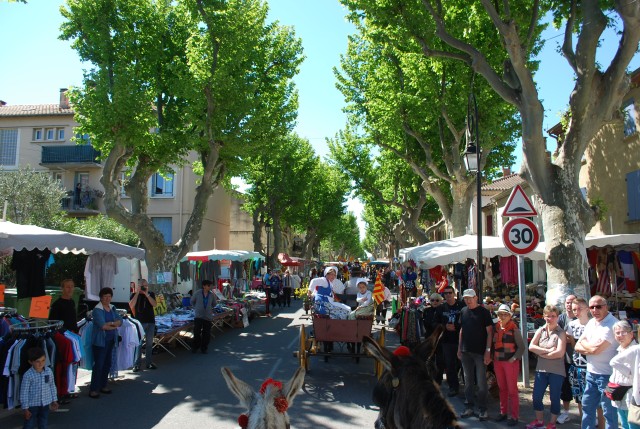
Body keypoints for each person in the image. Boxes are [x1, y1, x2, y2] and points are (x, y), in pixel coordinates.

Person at [574, 295, 619, 429]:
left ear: (606, 307)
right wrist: (591, 348)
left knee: (609, 412)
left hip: (608, 376)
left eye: (598, 306)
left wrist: (587, 347)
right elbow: (577, 346)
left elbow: (597, 350)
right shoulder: (591, 322)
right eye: (592, 307)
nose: (594, 310)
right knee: (587, 407)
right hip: (591, 373)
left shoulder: (613, 324)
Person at [527, 304, 567, 429]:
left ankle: (552, 423)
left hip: (556, 371)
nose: (550, 319)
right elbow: (531, 347)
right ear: (544, 316)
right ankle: (539, 420)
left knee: (555, 398)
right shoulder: (541, 330)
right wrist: (548, 351)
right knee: (537, 397)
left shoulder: (561, 333)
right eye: (547, 316)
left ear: (557, 317)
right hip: (541, 370)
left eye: (553, 316)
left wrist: (542, 353)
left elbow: (560, 352)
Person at [458, 288, 494, 421]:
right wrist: (459, 348)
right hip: (466, 351)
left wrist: (488, 351)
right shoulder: (463, 311)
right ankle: (469, 406)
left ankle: (483, 409)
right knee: (467, 380)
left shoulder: (484, 312)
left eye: (470, 298)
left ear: (476, 298)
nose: (468, 300)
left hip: (480, 352)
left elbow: (490, 332)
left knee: (481, 382)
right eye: (465, 298)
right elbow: (462, 330)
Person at [492, 304, 525, 426]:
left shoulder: (514, 328)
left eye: (505, 314)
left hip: (510, 363)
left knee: (512, 390)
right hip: (498, 362)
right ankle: (503, 412)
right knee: (502, 389)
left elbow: (521, 347)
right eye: (500, 314)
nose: (502, 316)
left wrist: (514, 358)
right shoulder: (496, 328)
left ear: (509, 316)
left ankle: (514, 416)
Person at [89, 287, 123, 398]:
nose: (107, 299)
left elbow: (120, 321)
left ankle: (103, 385)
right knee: (98, 365)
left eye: (109, 296)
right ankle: (94, 389)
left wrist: (111, 324)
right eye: (105, 296)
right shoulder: (97, 310)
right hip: (100, 342)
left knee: (107, 364)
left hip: (110, 340)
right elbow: (103, 326)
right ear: (101, 298)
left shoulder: (112, 308)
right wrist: (114, 324)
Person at [609, 320, 638, 429]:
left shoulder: (636, 350)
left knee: (633, 425)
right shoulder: (619, 350)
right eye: (617, 333)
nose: (620, 335)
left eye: (624, 332)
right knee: (624, 424)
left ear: (631, 334)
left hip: (632, 395)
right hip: (619, 394)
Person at [20, 347, 58, 429]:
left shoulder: (48, 371)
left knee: (43, 423)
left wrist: (54, 400)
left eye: (43, 360)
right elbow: (24, 392)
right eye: (37, 361)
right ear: (31, 362)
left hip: (45, 404)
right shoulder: (28, 375)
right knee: (28, 425)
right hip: (32, 405)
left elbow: (52, 385)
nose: (41, 364)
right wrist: (25, 408)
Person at [437, 285, 464, 398]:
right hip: (447, 341)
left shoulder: (461, 306)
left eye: (450, 293)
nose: (448, 295)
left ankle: (468, 387)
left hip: (461, 340)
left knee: (463, 365)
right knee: (449, 365)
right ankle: (453, 387)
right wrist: (445, 326)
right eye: (446, 293)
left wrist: (457, 327)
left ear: (454, 294)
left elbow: (466, 321)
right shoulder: (441, 308)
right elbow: (435, 323)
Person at [566, 297, 590, 420]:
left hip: (591, 366)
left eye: (579, 308)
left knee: (594, 399)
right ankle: (583, 421)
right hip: (576, 365)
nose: (576, 311)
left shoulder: (593, 324)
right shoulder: (571, 325)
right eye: (574, 309)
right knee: (579, 396)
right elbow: (573, 346)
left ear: (587, 309)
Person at [129, 278, 158, 372]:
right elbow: (131, 305)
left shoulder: (151, 294)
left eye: (146, 285)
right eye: (142, 286)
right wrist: (137, 293)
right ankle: (136, 364)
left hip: (150, 322)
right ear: (138, 286)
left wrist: (147, 294)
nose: (145, 287)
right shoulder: (134, 295)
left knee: (149, 344)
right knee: (138, 344)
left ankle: (149, 363)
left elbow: (154, 304)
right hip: (140, 322)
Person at [557, 294, 577, 424]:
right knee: (565, 388)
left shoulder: (581, 319)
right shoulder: (561, 318)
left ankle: (587, 414)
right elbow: (556, 334)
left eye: (572, 302)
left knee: (581, 388)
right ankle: (566, 412)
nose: (569, 305)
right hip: (564, 359)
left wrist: (570, 339)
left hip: (579, 360)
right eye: (567, 302)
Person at [191, 280, 217, 354]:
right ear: (204, 286)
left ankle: (204, 348)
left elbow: (214, 304)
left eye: (210, 285)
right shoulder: (198, 293)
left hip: (208, 316)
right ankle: (195, 346)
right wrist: (196, 308)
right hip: (198, 316)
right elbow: (192, 301)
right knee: (196, 332)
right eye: (209, 285)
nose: (210, 287)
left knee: (206, 333)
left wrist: (209, 308)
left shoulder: (211, 294)